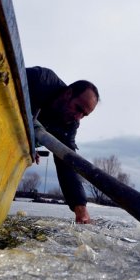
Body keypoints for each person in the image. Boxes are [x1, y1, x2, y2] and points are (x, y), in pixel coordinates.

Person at [26, 66, 99, 224]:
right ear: (67, 93)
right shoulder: (40, 80)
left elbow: (66, 161)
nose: (78, 118)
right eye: (78, 108)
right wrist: (27, 140)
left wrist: (80, 208)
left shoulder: (69, 125)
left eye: (84, 115)